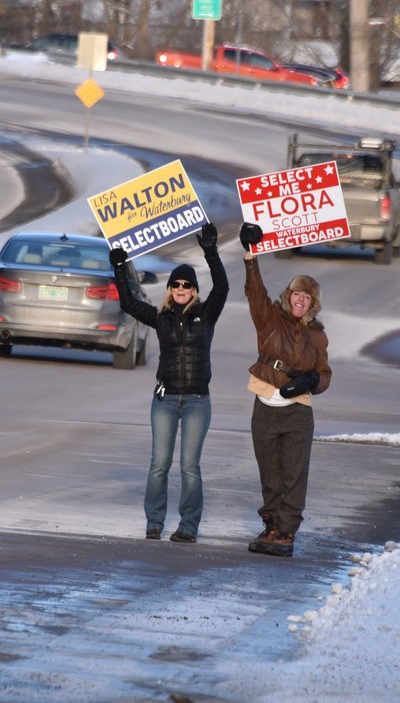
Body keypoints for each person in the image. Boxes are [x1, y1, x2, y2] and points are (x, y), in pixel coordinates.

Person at [109, 222, 229, 544]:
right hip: (164, 400)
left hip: (196, 401)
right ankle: (154, 522)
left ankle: (188, 525)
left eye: (186, 285)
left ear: (193, 290)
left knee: (189, 466)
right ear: (170, 288)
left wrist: (210, 251)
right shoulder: (160, 317)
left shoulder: (207, 313)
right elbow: (129, 304)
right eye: (175, 284)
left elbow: (223, 287)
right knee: (158, 464)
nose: (179, 288)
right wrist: (120, 268)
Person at [239, 222, 331, 558]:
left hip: (297, 412)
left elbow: (324, 374)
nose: (300, 300)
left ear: (312, 303)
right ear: (288, 297)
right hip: (265, 405)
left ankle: (286, 532)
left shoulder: (317, 336)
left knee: (294, 474)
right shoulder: (269, 320)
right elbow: (254, 291)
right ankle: (271, 526)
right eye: (296, 294)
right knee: (270, 473)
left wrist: (310, 382)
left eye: (307, 297)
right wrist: (251, 255)